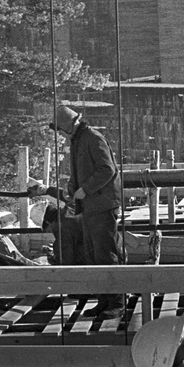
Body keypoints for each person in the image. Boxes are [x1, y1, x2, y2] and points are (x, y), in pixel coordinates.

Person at [48, 104, 124, 316]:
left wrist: (85, 190)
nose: (61, 136)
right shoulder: (78, 141)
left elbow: (107, 169)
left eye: (61, 132)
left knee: (106, 254)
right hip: (90, 207)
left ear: (69, 127)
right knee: (93, 255)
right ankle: (103, 300)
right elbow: (78, 173)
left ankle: (117, 303)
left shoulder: (93, 138)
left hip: (102, 205)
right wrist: (73, 190)